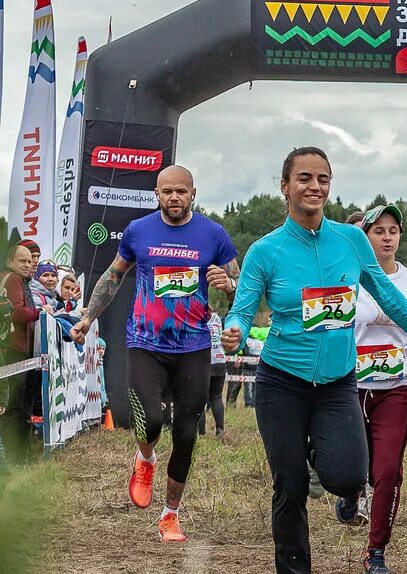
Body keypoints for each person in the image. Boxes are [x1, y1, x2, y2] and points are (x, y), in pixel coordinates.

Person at [221, 147, 407, 574]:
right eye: (304, 178)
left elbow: (389, 296)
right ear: (285, 186)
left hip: (338, 383)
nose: (315, 186)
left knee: (348, 476)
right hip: (282, 381)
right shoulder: (265, 251)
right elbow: (241, 306)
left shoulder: (351, 241)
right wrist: (232, 330)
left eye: (323, 179)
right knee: (290, 482)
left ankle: (322, 457)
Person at [73, 165, 241, 542]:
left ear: (193, 194)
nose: (175, 198)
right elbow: (113, 276)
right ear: (157, 194)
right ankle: (145, 458)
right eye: (167, 192)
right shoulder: (139, 231)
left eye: (182, 191)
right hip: (146, 342)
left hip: (194, 345)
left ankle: (170, 515)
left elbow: (239, 288)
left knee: (185, 433)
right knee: (148, 420)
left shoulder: (213, 234)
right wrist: (88, 316)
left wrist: (228, 285)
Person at [349, 203, 407, 574]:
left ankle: (376, 550)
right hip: (349, 388)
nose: (386, 237)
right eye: (378, 230)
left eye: (392, 231)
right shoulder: (348, 279)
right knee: (352, 467)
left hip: (396, 389)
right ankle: (350, 494)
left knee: (386, 470)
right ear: (364, 236)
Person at [2, 241, 43, 463]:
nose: (28, 265)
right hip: (12, 352)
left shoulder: (21, 279)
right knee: (13, 408)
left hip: (18, 351)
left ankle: (18, 458)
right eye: (23, 261)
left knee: (18, 407)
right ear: (10, 262)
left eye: (30, 261)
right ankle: (14, 460)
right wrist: (40, 313)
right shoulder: (13, 279)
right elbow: (18, 313)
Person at [201, 310, 227, 440]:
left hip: (204, 361)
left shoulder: (198, 317)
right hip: (220, 359)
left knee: (200, 398)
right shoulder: (217, 318)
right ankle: (220, 429)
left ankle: (201, 430)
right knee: (216, 396)